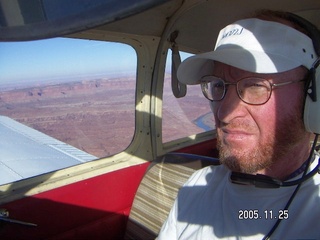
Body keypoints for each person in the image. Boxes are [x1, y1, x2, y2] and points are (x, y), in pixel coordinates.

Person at [157, 10, 320, 239]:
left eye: (255, 85)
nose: (224, 113)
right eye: (218, 85)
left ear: (313, 96)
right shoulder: (196, 187)